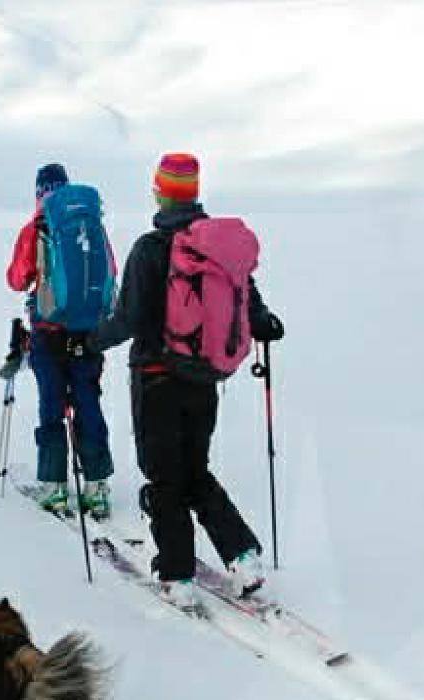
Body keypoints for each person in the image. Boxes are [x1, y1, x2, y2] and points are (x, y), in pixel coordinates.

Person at [92, 153, 286, 610]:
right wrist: (265, 324)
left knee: (164, 478)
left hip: (156, 379)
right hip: (203, 379)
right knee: (194, 470)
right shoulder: (218, 246)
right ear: (194, 192)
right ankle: (243, 556)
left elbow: (128, 320)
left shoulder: (149, 248)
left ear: (160, 191)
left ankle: (177, 576)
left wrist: (86, 342)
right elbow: (248, 302)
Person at [3, 163, 117, 518]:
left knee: (51, 403)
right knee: (88, 401)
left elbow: (17, 279)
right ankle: (96, 485)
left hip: (48, 332)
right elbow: (111, 273)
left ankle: (54, 486)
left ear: (39, 193)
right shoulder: (91, 226)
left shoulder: (35, 227)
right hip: (89, 332)